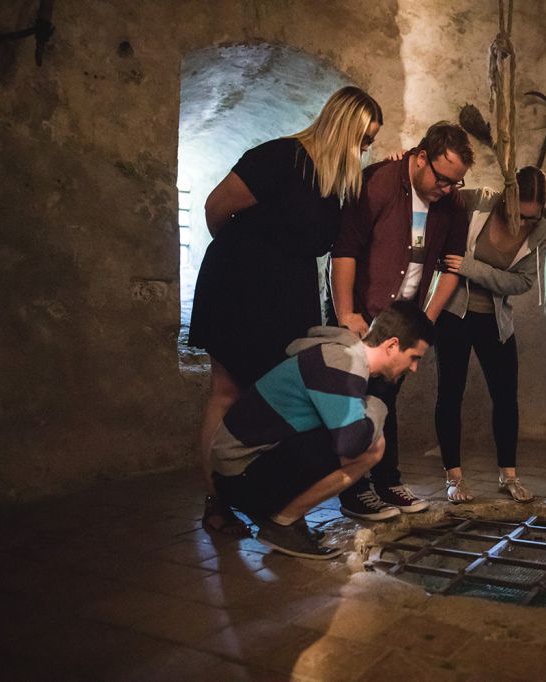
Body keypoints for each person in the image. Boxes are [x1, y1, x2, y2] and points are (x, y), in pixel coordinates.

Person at [190, 86, 383, 536]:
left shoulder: (336, 184)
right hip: (238, 286)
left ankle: (263, 497)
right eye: (364, 138)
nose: (366, 148)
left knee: (272, 394)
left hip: (289, 294)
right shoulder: (278, 157)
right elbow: (215, 210)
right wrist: (247, 256)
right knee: (227, 390)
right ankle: (217, 502)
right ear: (342, 125)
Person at [211, 301, 436, 559]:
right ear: (392, 345)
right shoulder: (344, 363)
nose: (414, 368)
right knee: (372, 449)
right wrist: (378, 405)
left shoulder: (344, 355)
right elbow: (350, 445)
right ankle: (282, 523)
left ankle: (286, 518)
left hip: (239, 469)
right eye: (414, 358)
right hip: (239, 476)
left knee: (356, 433)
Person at [331, 121, 474, 520]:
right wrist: (346, 313)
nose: (446, 189)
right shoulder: (378, 182)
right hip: (362, 314)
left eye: (455, 183)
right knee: (354, 405)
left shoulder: (453, 204)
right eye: (442, 179)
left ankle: (388, 481)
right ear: (421, 158)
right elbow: (344, 250)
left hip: (404, 320)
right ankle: (354, 490)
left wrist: (424, 322)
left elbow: (452, 267)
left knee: (385, 400)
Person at [434, 166, 546, 504]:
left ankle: (509, 475)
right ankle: (453, 477)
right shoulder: (477, 202)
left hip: (495, 319)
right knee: (450, 392)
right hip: (454, 313)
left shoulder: (542, 230)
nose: (525, 223)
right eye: (520, 215)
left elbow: (522, 282)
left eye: (532, 217)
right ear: (506, 200)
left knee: (505, 396)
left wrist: (473, 268)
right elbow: (438, 202)